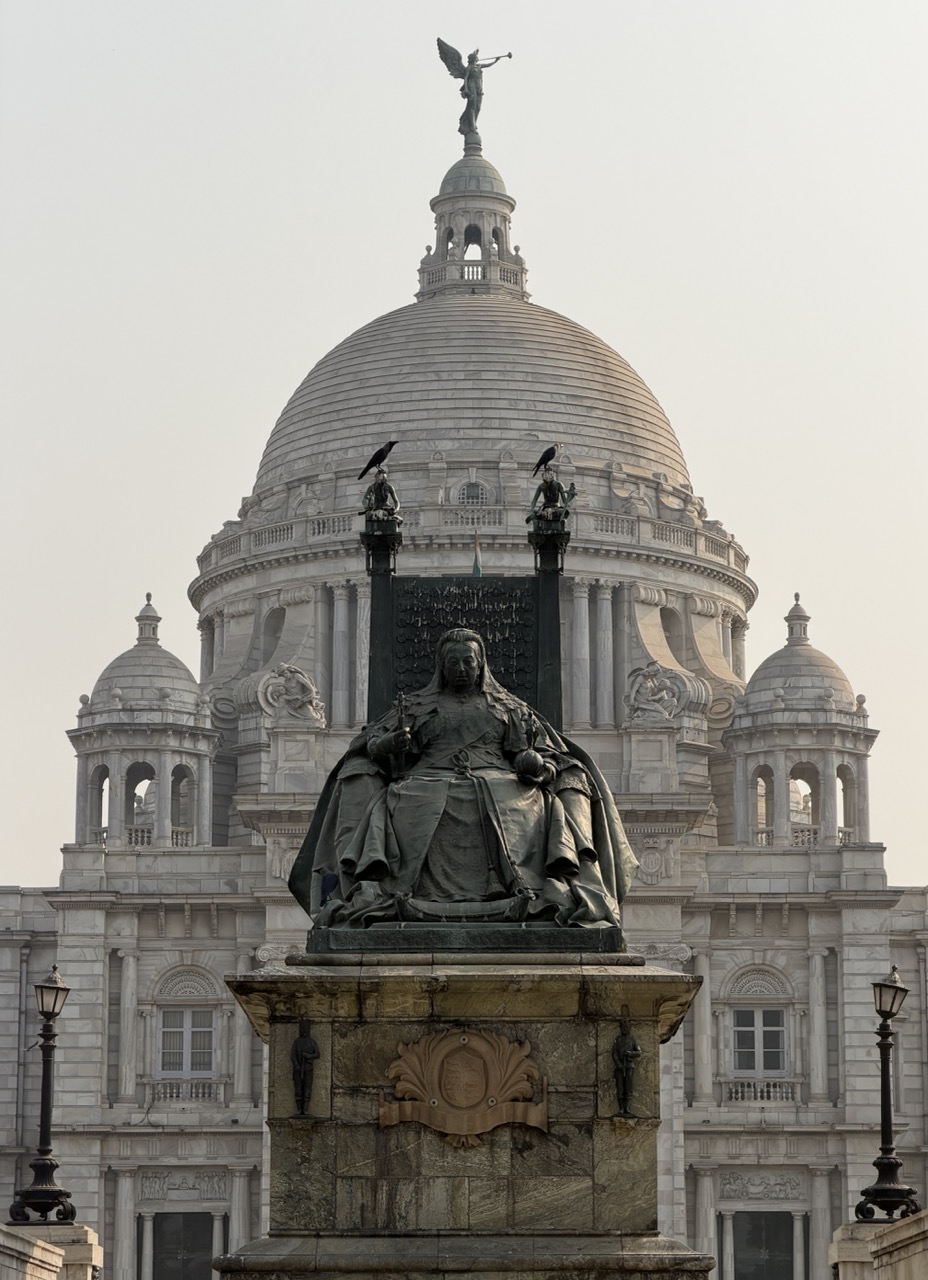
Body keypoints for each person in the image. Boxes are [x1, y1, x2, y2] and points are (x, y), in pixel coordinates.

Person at [288, 628, 636, 929]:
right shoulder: (414, 705)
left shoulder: (509, 707)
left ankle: (528, 888)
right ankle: (390, 888)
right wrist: (389, 744)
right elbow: (370, 746)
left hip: (498, 778)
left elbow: (532, 755)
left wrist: (535, 766)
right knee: (416, 795)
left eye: (468, 661)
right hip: (427, 778)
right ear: (442, 666)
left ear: (480, 663)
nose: (461, 669)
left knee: (511, 795)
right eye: (453, 662)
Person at [291, 1020, 320, 1116]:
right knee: (298, 1090)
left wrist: (308, 1056)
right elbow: (293, 1055)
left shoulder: (312, 1042)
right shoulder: (297, 1042)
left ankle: (305, 1109)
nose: (304, 1030)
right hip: (298, 1070)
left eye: (306, 1028)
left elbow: (317, 1054)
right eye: (302, 1028)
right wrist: (297, 1066)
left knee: (307, 1089)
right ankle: (299, 1109)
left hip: (308, 1068)